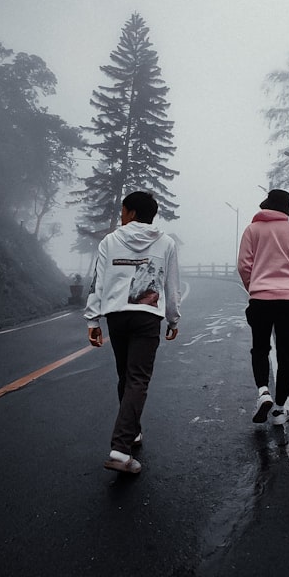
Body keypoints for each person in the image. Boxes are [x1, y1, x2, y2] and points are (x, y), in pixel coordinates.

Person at [85, 191, 180, 474]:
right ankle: (120, 449)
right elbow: (171, 287)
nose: (120, 216)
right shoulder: (166, 243)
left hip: (116, 316)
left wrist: (93, 320)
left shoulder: (110, 241)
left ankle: (132, 432)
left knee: (126, 376)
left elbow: (98, 282)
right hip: (147, 316)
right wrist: (173, 320)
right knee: (137, 379)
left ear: (133, 213)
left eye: (123, 211)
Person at [237, 188, 289, 426]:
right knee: (286, 352)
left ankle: (263, 392)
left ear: (266, 206)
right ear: (286, 210)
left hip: (260, 299)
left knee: (259, 349)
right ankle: (280, 410)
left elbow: (244, 265)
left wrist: (255, 287)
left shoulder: (252, 230)